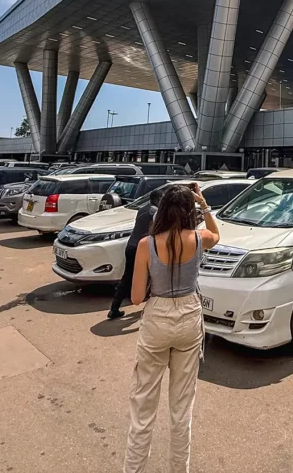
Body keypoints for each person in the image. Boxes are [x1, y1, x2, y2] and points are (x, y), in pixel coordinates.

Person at [123, 184, 220, 473]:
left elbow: (137, 297)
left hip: (157, 318)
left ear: (162, 210)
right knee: (181, 409)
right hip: (189, 315)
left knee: (142, 408)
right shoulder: (200, 239)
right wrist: (204, 204)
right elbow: (216, 233)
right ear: (189, 211)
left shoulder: (147, 244)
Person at [108, 184, 171, 320]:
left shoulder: (142, 209)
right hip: (142, 249)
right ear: (158, 199)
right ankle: (149, 308)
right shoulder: (156, 213)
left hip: (130, 246)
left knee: (127, 277)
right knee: (153, 277)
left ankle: (114, 308)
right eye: (163, 199)